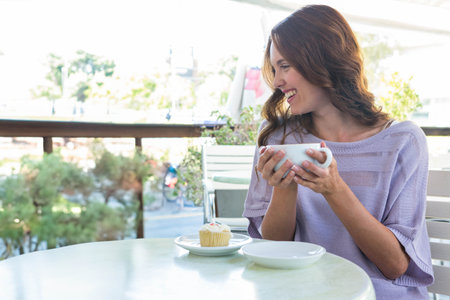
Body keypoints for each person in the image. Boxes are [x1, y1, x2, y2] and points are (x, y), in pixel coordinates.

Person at [243, 4, 433, 299]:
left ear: (323, 59)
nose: (277, 81)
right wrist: (284, 189)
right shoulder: (278, 137)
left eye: (285, 66)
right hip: (302, 291)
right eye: (274, 68)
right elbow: (275, 246)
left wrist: (335, 189)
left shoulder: (403, 141)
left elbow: (395, 265)